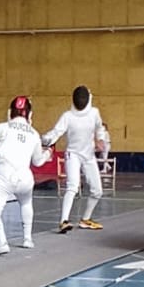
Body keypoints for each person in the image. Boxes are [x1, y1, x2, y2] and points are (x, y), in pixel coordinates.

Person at [0, 96, 50, 255]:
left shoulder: (3, 127)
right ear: (29, 115)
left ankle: (1, 243)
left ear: (10, 112)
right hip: (25, 178)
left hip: (5, 176)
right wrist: (47, 153)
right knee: (26, 202)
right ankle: (27, 239)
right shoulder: (34, 134)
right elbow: (38, 162)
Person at [43, 85, 107, 231]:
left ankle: (85, 219)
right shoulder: (68, 116)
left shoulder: (94, 113)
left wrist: (101, 139)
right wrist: (46, 139)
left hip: (89, 155)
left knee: (97, 191)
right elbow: (56, 132)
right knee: (72, 186)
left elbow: (99, 127)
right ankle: (63, 221)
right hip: (73, 155)